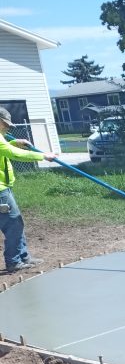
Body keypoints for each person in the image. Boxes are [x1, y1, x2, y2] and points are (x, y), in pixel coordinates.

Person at [0, 105, 57, 272]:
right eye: (5, 125)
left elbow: (5, 149)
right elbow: (14, 154)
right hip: (0, 191)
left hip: (4, 187)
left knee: (16, 222)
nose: (8, 128)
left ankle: (23, 256)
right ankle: (13, 261)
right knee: (13, 223)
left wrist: (14, 142)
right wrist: (43, 155)